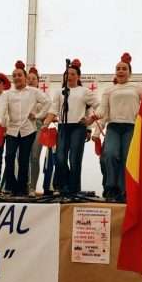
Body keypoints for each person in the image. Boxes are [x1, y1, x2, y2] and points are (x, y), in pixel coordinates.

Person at [0, 61, 50, 197]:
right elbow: (1, 108)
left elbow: (48, 102)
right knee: (9, 157)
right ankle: (11, 187)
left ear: (25, 77)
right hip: (12, 130)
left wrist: (38, 115)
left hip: (28, 130)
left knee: (24, 160)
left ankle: (22, 189)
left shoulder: (34, 91)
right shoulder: (7, 94)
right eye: (14, 76)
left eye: (19, 75)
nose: (17, 78)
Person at [44, 58, 99, 196]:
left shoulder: (84, 91)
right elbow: (53, 109)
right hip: (63, 127)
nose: (70, 76)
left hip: (78, 128)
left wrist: (90, 119)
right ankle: (64, 186)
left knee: (74, 159)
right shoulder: (60, 92)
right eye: (68, 73)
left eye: (73, 74)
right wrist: (45, 124)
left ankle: (73, 189)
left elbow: (99, 105)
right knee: (60, 158)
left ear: (78, 76)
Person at [92, 53, 142, 202]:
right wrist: (94, 118)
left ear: (129, 72)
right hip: (113, 126)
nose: (120, 71)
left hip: (131, 127)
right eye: (118, 68)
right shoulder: (109, 90)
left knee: (127, 159)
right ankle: (110, 188)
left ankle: (125, 191)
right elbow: (102, 110)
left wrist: (140, 117)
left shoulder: (137, 87)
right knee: (110, 154)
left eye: (124, 69)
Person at [27, 66, 49, 196]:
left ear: (38, 81)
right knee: (23, 158)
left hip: (38, 126)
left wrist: (38, 115)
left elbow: (49, 109)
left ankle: (32, 187)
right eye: (28, 78)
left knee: (34, 156)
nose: (30, 81)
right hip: (23, 128)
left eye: (33, 79)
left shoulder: (43, 96)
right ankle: (23, 184)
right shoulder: (21, 94)